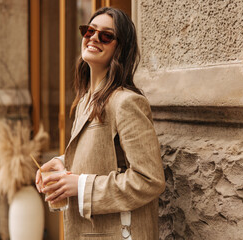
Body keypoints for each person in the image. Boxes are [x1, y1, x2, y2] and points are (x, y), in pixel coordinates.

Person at [35, 7, 165, 239]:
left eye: (106, 35)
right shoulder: (85, 101)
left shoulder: (127, 102)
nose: (94, 38)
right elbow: (103, 153)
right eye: (89, 31)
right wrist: (62, 163)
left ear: (120, 48)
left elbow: (150, 180)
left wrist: (81, 186)